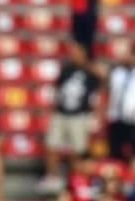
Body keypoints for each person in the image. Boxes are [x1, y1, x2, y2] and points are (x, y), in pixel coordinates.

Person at [42, 42, 100, 189]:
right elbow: (57, 88)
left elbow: (101, 88)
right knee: (52, 145)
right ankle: (52, 178)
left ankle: (74, 180)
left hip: (80, 115)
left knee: (78, 150)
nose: (74, 55)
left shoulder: (91, 72)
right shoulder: (66, 69)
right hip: (61, 113)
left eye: (77, 51)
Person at [106, 47, 135, 160]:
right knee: (115, 149)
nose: (128, 58)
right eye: (126, 55)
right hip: (117, 115)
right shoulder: (116, 72)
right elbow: (108, 88)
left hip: (134, 117)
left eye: (131, 55)